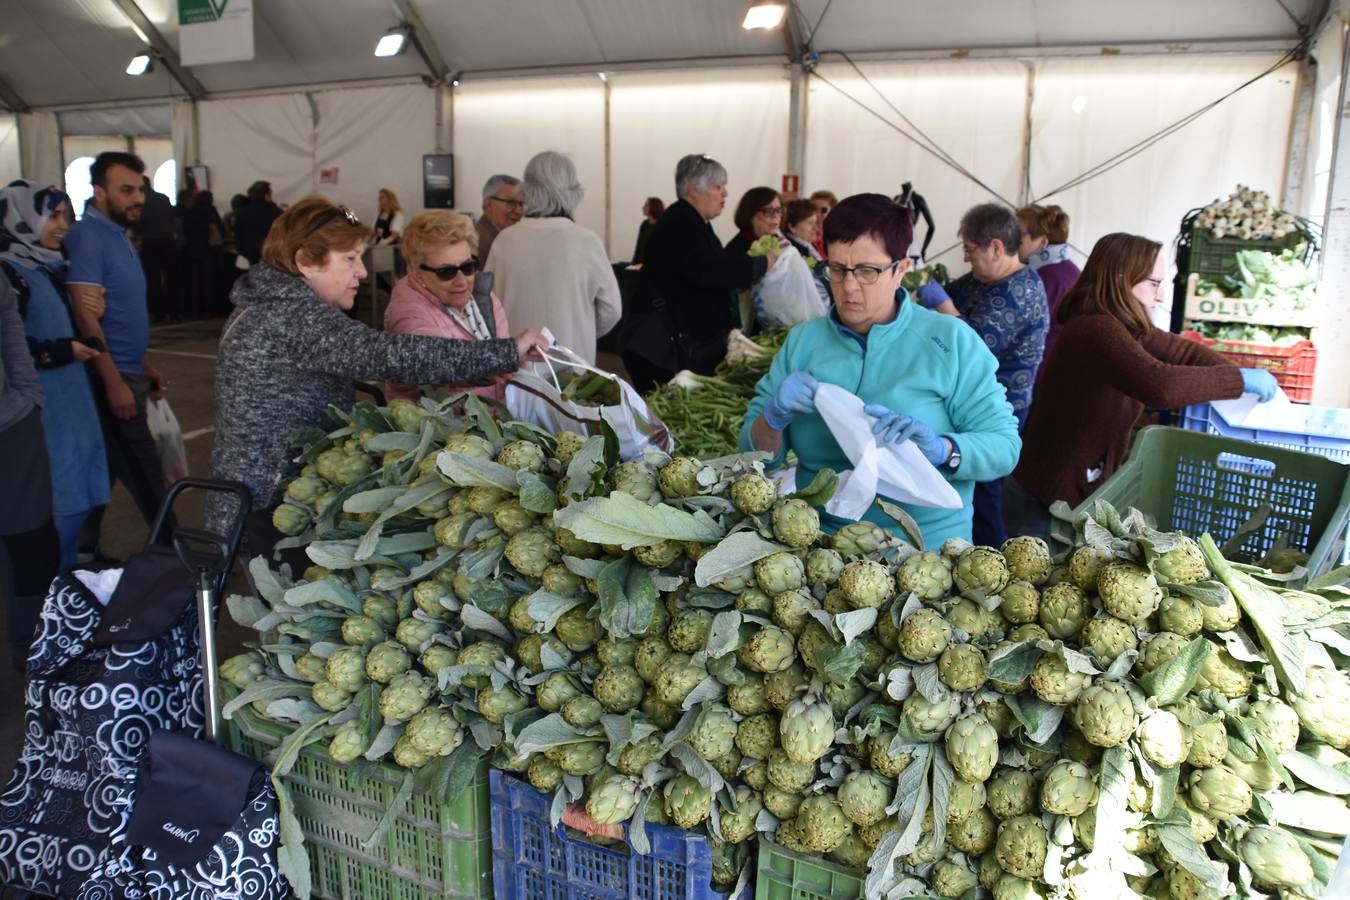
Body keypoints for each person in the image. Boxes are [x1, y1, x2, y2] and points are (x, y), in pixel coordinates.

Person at [206, 197, 548, 544]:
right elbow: (390, 355)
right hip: (270, 502)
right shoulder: (289, 317)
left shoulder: (274, 305)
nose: (363, 271)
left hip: (267, 492)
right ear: (306, 263)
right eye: (351, 259)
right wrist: (506, 353)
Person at [739, 193, 1020, 548]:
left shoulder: (951, 342)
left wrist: (944, 450)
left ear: (901, 269)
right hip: (822, 547)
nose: (849, 286)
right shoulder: (802, 344)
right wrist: (773, 417)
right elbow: (753, 455)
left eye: (868, 272)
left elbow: (1004, 446)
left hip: (924, 550)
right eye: (837, 269)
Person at [1007, 233, 1277, 540]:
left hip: (1067, 490)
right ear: (1123, 279)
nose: (1160, 296)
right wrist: (1238, 381)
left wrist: (1234, 373)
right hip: (1046, 500)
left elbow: (1183, 351)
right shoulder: (1097, 329)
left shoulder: (1119, 324)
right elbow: (1158, 384)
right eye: (1154, 284)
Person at [1, 180, 110, 570]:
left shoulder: (47, 267)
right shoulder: (11, 276)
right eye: (53, 215)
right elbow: (12, 350)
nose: (62, 225)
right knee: (53, 501)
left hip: (70, 404)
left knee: (77, 493)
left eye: (66, 215)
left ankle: (60, 583)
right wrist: (63, 351)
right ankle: (44, 596)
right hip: (40, 413)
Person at [66, 152, 170, 553]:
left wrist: (142, 364)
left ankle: (83, 551)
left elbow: (121, 315)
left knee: (105, 468)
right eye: (126, 190)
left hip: (128, 370)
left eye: (139, 189)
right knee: (147, 472)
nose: (137, 199)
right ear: (98, 191)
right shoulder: (87, 236)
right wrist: (114, 382)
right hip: (109, 375)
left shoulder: (117, 236)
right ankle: (176, 557)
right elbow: (85, 315)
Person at [946, 203, 1048, 547]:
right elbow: (952, 291)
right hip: (970, 401)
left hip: (1001, 406)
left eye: (971, 251)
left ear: (996, 247)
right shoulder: (984, 279)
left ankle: (990, 556)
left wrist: (940, 305)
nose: (967, 259)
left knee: (985, 489)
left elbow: (972, 346)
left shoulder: (1019, 292)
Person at [627, 154, 772, 390]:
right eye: (719, 187)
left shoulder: (694, 221)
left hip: (681, 344)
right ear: (694, 189)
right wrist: (761, 263)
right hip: (665, 350)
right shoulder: (682, 223)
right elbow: (713, 271)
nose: (725, 194)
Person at [484, 151, 620, 364]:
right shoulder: (586, 241)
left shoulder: (504, 241)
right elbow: (612, 310)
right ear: (574, 191)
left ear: (527, 190)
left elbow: (487, 307)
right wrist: (579, 329)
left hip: (517, 369)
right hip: (574, 371)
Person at [0, 257, 60, 671]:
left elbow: (10, 329)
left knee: (32, 542)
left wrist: (27, 394)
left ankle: (30, 648)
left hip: (12, 423)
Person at [385, 210, 511, 403]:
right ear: (417, 272)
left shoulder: (484, 296)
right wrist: (509, 354)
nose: (462, 281)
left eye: (468, 267)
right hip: (437, 427)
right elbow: (436, 359)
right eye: (447, 272)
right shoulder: (407, 312)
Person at [1016, 204, 1080, 371]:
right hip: (1061, 367)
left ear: (1042, 242)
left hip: (1043, 369)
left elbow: (1020, 330)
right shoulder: (1070, 270)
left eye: (1019, 233)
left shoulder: (1044, 278)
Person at [136, 176, 175, 323]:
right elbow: (172, 218)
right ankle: (174, 311)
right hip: (168, 240)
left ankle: (158, 312)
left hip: (150, 241)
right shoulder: (163, 198)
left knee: (153, 279)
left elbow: (139, 222)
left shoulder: (142, 201)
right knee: (171, 278)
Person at [782, 198, 831, 310]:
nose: (816, 228)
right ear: (792, 227)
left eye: (815, 222)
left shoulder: (808, 246)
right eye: (810, 223)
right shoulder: (793, 251)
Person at [183, 190, 224, 319]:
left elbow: (185, 230)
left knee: (193, 282)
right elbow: (221, 229)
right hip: (208, 251)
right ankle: (208, 309)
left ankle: (194, 310)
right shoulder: (210, 212)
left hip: (191, 251)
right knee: (208, 281)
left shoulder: (190, 211)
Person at [475, 174, 522, 264]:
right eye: (511, 203)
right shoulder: (477, 243)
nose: (519, 211)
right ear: (489, 204)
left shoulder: (504, 236)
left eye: (521, 204)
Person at [234, 180, 283, 266]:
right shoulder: (274, 211)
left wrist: (245, 252)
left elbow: (238, 236)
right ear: (266, 195)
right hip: (271, 254)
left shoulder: (242, 212)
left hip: (251, 255)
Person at [632, 196, 664, 265]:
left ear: (654, 207)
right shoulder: (644, 224)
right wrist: (634, 263)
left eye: (646, 205)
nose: (643, 207)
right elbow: (639, 246)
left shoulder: (663, 225)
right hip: (640, 265)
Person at [808, 190, 838, 257]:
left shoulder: (839, 239)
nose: (818, 214)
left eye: (824, 210)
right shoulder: (804, 239)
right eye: (814, 209)